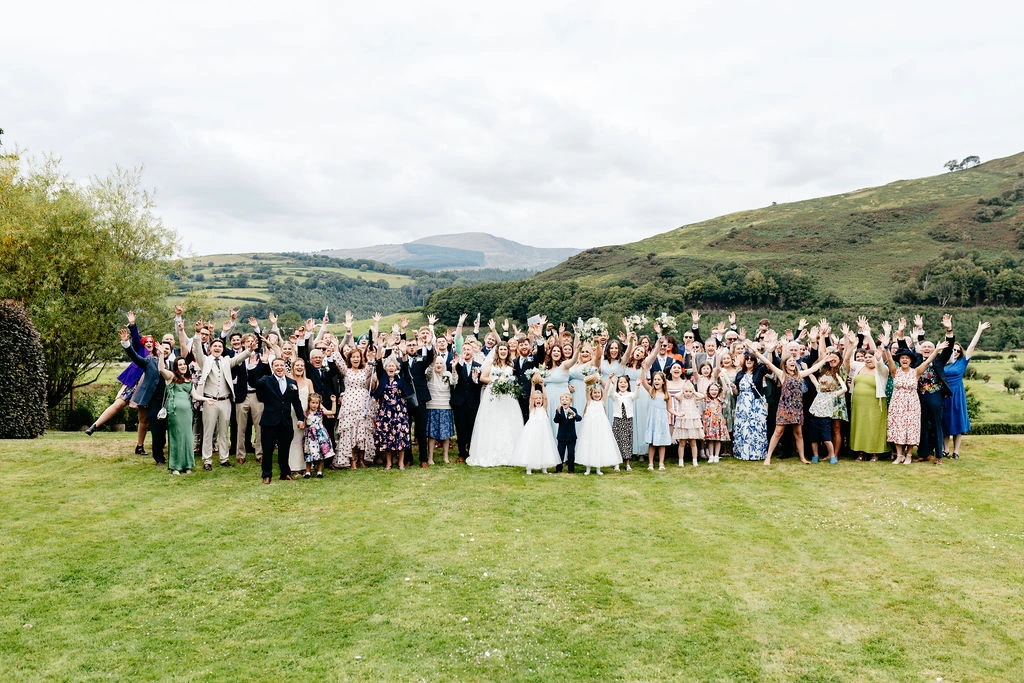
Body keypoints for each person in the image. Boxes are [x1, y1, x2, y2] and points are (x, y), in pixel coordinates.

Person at [747, 339, 833, 466]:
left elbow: (813, 368)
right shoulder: (782, 374)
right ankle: (768, 457)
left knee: (798, 434)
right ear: (785, 365)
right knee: (778, 432)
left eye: (793, 361)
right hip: (784, 407)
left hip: (797, 408)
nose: (792, 362)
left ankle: (802, 458)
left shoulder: (800, 375)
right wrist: (755, 352)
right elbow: (767, 362)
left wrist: (824, 360)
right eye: (790, 361)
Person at [191, 335, 251, 470]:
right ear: (210, 348)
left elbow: (239, 358)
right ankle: (207, 460)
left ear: (223, 349)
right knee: (208, 432)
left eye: (220, 346)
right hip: (210, 400)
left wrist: (249, 351)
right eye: (215, 346)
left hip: (225, 400)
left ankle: (224, 459)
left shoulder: (226, 361)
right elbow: (198, 351)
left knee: (224, 432)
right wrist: (197, 335)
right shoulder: (205, 360)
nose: (217, 348)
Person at [884, 340, 948, 465]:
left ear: (911, 361)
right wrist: (886, 348)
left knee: (911, 429)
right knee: (898, 428)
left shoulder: (916, 372)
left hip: (912, 405)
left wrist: (937, 350)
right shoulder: (895, 372)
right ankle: (899, 456)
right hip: (897, 404)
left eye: (907, 358)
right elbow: (890, 360)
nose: (904, 360)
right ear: (899, 360)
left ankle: (908, 455)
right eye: (902, 358)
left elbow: (928, 361)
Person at [467, 341, 525, 467]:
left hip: (508, 397)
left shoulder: (511, 364)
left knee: (507, 422)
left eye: (505, 349)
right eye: (501, 349)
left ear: (508, 351)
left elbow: (513, 379)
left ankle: (509, 454)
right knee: (493, 421)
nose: (503, 351)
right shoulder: (491, 363)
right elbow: (482, 377)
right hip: (493, 395)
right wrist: (496, 380)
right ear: (497, 351)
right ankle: (491, 453)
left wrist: (508, 382)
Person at [118, 328, 169, 466]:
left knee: (166, 431)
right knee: (156, 430)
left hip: (170, 401)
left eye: (167, 349)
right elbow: (135, 357)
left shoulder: (175, 364)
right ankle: (159, 458)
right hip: (154, 401)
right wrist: (126, 343)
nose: (164, 351)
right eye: (162, 348)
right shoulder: (149, 361)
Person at [254, 358, 306, 483]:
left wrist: (300, 418)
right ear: (272, 367)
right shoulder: (266, 380)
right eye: (276, 365)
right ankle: (267, 475)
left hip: (285, 422)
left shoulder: (291, 382)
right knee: (268, 449)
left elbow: (296, 403)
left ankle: (285, 473)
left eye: (281, 365)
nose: (279, 367)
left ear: (285, 367)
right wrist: (262, 364)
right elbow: (254, 381)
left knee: (284, 449)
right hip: (269, 421)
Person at [942, 321, 989, 459]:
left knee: (957, 422)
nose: (955, 352)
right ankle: (945, 450)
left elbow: (972, 346)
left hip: (957, 395)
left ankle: (956, 452)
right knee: (944, 422)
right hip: (944, 394)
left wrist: (979, 330)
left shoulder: (962, 362)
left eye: (958, 350)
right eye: (953, 350)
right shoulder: (942, 362)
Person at [332, 346, 377, 469]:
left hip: (363, 403)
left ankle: (361, 459)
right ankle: (352, 460)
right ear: (349, 359)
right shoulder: (346, 370)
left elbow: (372, 363)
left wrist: (372, 355)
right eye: (353, 357)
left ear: (361, 358)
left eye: (358, 357)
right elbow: (338, 361)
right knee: (350, 431)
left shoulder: (365, 371)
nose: (356, 359)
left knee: (362, 430)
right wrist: (335, 347)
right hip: (349, 404)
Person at [574, 376, 623, 475]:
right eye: (595, 393)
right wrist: (587, 384)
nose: (597, 394)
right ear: (591, 394)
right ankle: (587, 468)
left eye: (598, 393)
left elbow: (606, 389)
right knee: (589, 445)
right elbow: (586, 391)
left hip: (600, 428)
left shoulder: (602, 402)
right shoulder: (589, 402)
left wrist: (609, 379)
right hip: (590, 429)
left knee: (599, 446)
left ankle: (598, 468)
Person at [372, 355, 412, 471]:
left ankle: (401, 463)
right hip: (385, 412)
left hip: (399, 412)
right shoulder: (383, 378)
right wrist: (379, 349)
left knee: (401, 436)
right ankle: (388, 463)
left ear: (396, 368)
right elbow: (378, 364)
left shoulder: (400, 378)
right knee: (386, 437)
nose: (391, 368)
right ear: (386, 368)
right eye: (389, 366)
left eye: (393, 366)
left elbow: (406, 370)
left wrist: (404, 355)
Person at [511, 388, 562, 474]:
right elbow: (531, 397)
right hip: (532, 433)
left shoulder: (544, 409)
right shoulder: (532, 409)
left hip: (544, 433)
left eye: (540, 398)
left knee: (544, 447)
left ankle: (544, 468)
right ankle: (529, 468)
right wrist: (533, 385)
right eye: (536, 398)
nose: (538, 400)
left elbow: (546, 398)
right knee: (531, 447)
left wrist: (542, 386)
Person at [159, 356, 195, 475]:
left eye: (184, 364)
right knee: (176, 437)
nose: (183, 366)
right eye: (180, 364)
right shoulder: (171, 377)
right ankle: (175, 466)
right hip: (174, 412)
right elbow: (161, 369)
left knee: (187, 437)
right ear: (176, 367)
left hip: (187, 412)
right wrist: (161, 354)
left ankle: (187, 465)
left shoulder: (189, 379)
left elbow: (195, 395)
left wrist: (207, 399)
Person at [425, 356, 457, 465]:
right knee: (432, 435)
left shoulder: (447, 374)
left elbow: (454, 381)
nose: (438, 365)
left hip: (445, 407)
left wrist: (453, 369)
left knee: (446, 434)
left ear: (444, 365)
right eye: (436, 363)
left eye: (440, 363)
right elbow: (429, 372)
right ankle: (430, 458)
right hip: (432, 406)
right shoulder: (430, 374)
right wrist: (432, 361)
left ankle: (445, 457)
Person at [608, 374, 641, 471]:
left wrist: (637, 386)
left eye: (625, 382)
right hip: (618, 420)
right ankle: (617, 464)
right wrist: (612, 384)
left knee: (627, 441)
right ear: (618, 384)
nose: (623, 384)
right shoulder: (615, 395)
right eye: (620, 382)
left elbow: (636, 395)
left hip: (628, 421)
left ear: (628, 384)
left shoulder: (630, 394)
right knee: (617, 441)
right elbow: (610, 394)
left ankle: (627, 463)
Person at [669, 379, 705, 467]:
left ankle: (694, 460)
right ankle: (681, 460)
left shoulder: (694, 398)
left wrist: (694, 392)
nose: (688, 393)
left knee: (693, 442)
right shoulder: (681, 398)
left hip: (692, 422)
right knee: (682, 443)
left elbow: (702, 396)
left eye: (690, 391)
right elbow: (676, 395)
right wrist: (682, 391)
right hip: (683, 422)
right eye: (686, 391)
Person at [302, 393, 335, 478]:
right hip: (310, 436)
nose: (314, 405)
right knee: (309, 453)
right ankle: (308, 472)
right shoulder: (306, 413)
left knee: (320, 453)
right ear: (309, 402)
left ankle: (319, 471)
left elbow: (332, 412)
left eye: (317, 403)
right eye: (313, 402)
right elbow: (304, 424)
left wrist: (333, 402)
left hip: (320, 435)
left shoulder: (320, 412)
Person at [553, 392, 583, 473]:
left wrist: (573, 414)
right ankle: (558, 469)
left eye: (566, 400)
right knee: (560, 453)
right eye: (562, 400)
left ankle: (571, 469)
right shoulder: (559, 410)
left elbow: (579, 419)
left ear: (570, 402)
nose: (564, 401)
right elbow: (556, 420)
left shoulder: (573, 410)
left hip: (571, 436)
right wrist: (559, 413)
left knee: (571, 453)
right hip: (561, 436)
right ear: (560, 401)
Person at [700, 382, 730, 463]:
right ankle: (711, 456)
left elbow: (725, 389)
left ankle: (716, 456)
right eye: (712, 389)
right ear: (708, 391)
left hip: (718, 422)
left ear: (719, 391)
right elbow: (700, 392)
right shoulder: (707, 399)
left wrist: (722, 378)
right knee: (710, 440)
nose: (714, 391)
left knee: (717, 440)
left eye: (716, 390)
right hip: (709, 422)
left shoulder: (719, 399)